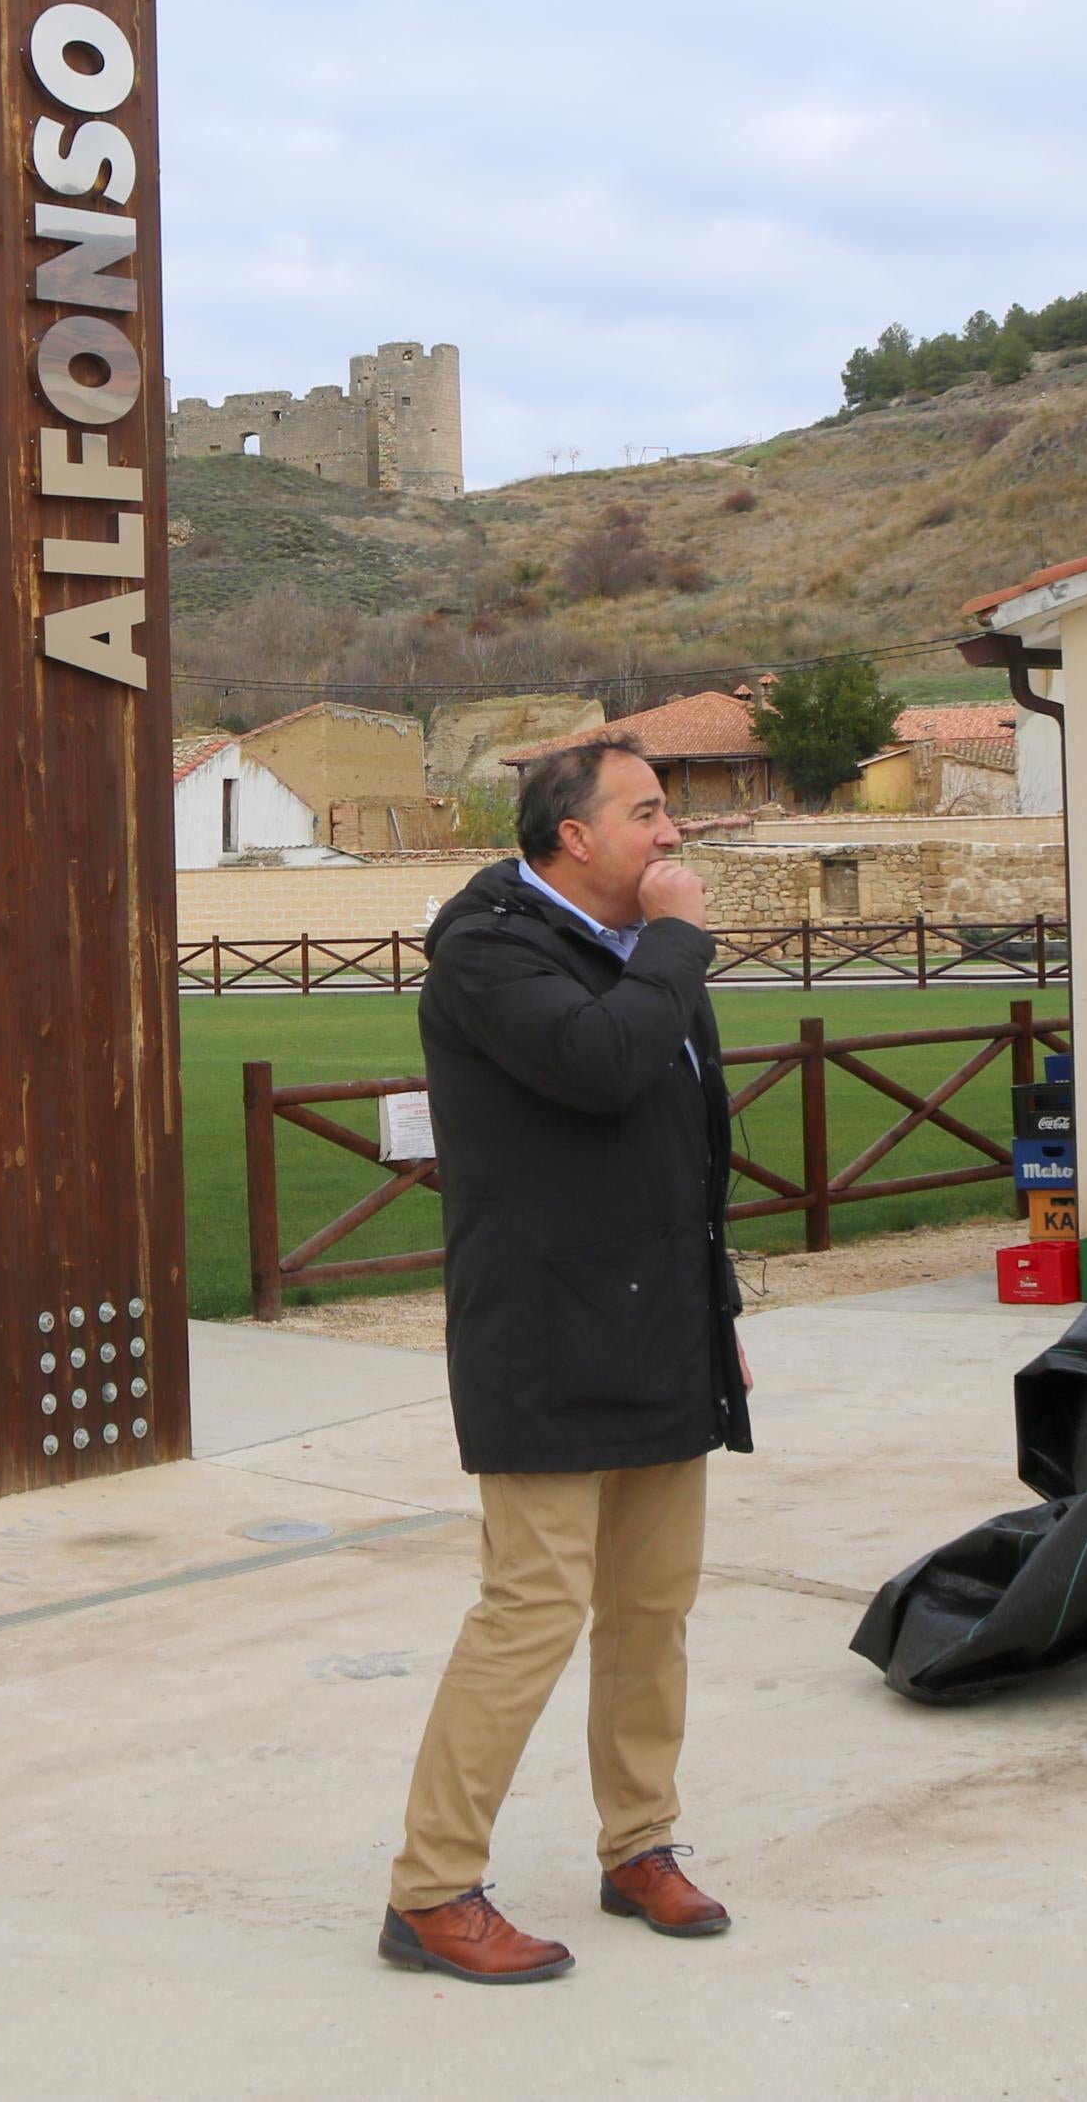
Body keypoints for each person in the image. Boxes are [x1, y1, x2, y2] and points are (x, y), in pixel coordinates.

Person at [379, 738, 753, 1985]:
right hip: (541, 1332)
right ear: (571, 836)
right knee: (531, 1611)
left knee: (652, 1611)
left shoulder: (633, 954)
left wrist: (720, 1319)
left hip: (659, 1324)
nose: (671, 837)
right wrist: (679, 946)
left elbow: (693, 1149)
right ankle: (430, 1891)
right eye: (647, 812)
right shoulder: (488, 950)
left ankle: (636, 1844)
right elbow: (597, 1066)